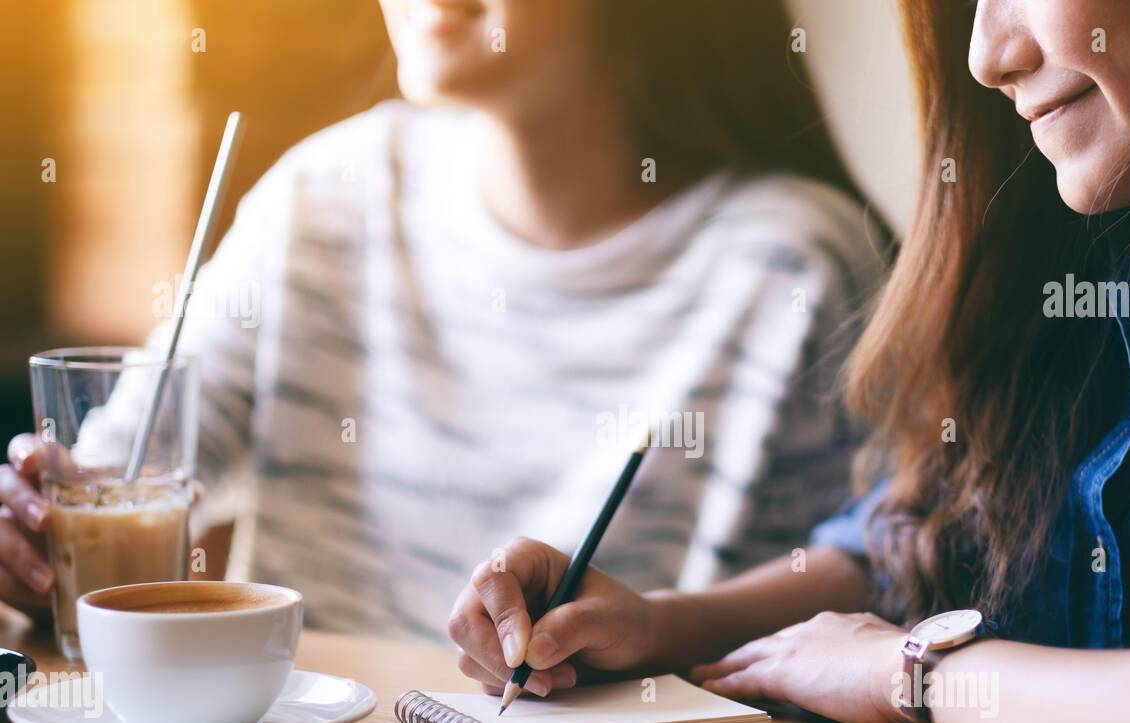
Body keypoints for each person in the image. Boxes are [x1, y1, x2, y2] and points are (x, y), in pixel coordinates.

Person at [448, 0, 1130, 723]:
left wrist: (923, 673)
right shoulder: (1081, 287)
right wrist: (654, 630)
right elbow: (913, 547)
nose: (987, 56)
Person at [0, 0, 887, 640]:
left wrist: (663, 633)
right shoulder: (323, 196)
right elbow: (121, 472)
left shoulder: (795, 262)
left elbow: (902, 569)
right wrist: (42, 545)